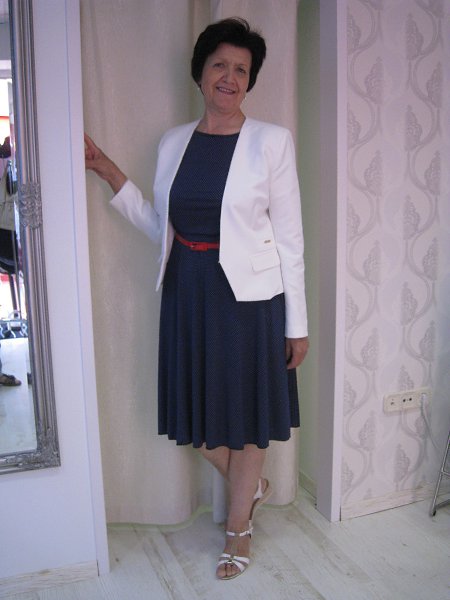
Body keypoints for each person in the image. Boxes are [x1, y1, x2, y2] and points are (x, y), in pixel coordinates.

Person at [85, 17, 308, 580]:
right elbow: (162, 225)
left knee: (248, 415)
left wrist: (297, 325)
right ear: (201, 72)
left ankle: (238, 529)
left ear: (250, 81)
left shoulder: (272, 142)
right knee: (201, 422)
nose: (230, 77)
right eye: (220, 65)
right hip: (188, 290)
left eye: (242, 70)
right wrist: (110, 171)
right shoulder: (173, 142)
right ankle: (249, 487)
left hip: (250, 299)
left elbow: (290, 240)